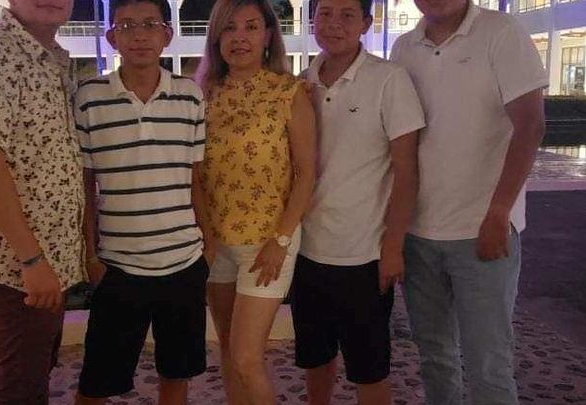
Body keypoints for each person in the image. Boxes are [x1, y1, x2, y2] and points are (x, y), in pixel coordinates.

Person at [390, 0, 548, 403]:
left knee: (488, 363)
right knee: (435, 357)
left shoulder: (501, 32)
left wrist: (499, 211)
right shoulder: (404, 47)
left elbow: (530, 125)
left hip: (482, 231)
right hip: (418, 233)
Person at [0, 0, 84, 403]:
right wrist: (32, 260)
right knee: (23, 385)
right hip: (19, 265)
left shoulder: (49, 59)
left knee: (35, 371)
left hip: (48, 259)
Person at [72, 1, 209, 404]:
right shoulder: (90, 97)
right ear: (111, 37)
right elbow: (85, 184)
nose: (139, 35)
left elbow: (196, 177)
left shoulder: (189, 95)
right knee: (96, 382)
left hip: (184, 263)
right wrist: (91, 255)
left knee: (176, 375)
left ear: (167, 34)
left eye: (150, 24)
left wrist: (209, 246)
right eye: (127, 25)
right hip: (118, 266)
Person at [290, 0, 425, 403]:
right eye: (325, 13)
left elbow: (406, 172)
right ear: (312, 20)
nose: (334, 24)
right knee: (315, 359)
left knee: (369, 368)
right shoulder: (300, 84)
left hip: (363, 255)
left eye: (347, 15)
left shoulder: (389, 79)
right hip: (306, 250)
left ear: (366, 23)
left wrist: (393, 247)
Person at [195, 0, 316, 403]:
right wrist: (206, 237)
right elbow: (195, 173)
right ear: (216, 38)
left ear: (268, 36)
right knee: (229, 354)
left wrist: (281, 240)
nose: (240, 37)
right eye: (229, 28)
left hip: (267, 244)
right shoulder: (203, 94)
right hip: (216, 245)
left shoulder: (289, 92)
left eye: (250, 27)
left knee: (247, 357)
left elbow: (306, 173)